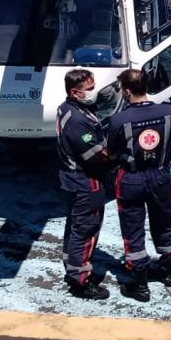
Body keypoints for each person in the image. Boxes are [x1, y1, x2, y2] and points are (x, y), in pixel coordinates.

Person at [107, 69, 171, 302]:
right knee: (165, 222)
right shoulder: (168, 112)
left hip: (131, 178)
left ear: (126, 91)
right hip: (160, 175)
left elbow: (112, 152)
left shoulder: (118, 120)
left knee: (133, 228)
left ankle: (140, 284)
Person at [56, 69, 113, 300]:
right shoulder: (79, 121)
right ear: (74, 92)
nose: (93, 92)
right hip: (86, 182)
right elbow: (97, 156)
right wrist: (118, 157)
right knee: (86, 230)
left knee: (75, 227)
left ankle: (72, 266)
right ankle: (81, 280)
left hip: (73, 179)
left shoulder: (67, 108)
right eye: (89, 89)